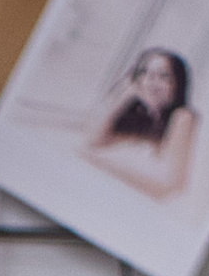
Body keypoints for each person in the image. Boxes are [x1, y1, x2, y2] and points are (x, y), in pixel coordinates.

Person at [84, 44, 199, 200]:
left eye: (163, 76)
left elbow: (174, 188)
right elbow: (93, 142)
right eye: (145, 73)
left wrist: (105, 166)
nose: (151, 81)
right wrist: (124, 97)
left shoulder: (182, 117)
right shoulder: (141, 116)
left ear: (178, 84)